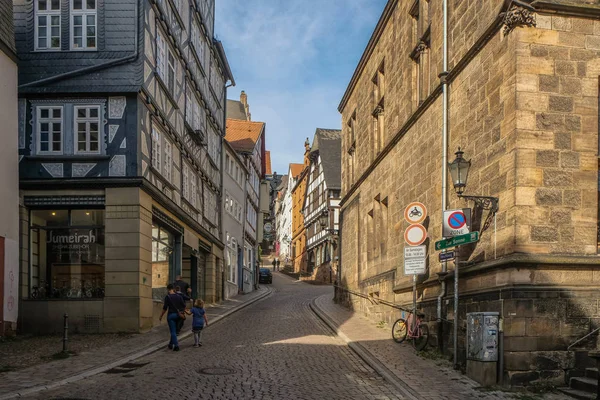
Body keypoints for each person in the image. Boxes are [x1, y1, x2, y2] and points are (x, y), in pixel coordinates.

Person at [159, 284, 186, 351]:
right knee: (175, 331)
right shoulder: (179, 297)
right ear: (173, 289)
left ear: (168, 289)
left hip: (171, 315)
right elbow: (183, 306)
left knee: (173, 331)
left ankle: (176, 346)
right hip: (178, 315)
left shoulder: (167, 297)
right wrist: (182, 312)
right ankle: (170, 344)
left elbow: (165, 308)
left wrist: (161, 316)